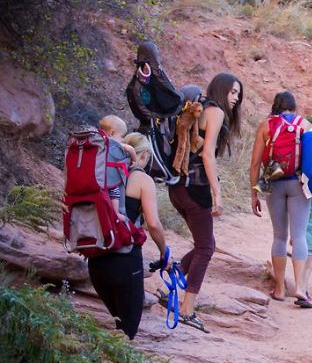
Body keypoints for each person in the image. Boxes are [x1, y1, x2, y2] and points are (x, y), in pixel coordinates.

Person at [168, 73, 243, 331]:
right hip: (196, 187)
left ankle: (175, 272)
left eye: (238, 94)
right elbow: (208, 155)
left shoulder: (199, 107)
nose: (236, 98)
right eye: (233, 92)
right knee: (205, 248)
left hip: (177, 187)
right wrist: (217, 192)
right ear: (222, 90)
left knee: (206, 244)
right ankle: (187, 310)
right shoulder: (216, 112)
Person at [87, 132, 169, 340]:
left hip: (96, 261)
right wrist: (163, 251)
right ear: (142, 155)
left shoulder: (101, 174)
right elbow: (153, 224)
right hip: (125, 261)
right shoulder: (142, 179)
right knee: (127, 333)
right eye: (147, 158)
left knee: (119, 327)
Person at [249, 91, 312, 308]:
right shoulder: (304, 125)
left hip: (274, 183)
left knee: (279, 236)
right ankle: (300, 288)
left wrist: (254, 193)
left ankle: (279, 289)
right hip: (298, 184)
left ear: (275, 107)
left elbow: (255, 162)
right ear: (293, 108)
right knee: (299, 236)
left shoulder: (266, 126)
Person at [99, 114, 138, 218]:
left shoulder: (97, 142)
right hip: (108, 179)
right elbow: (130, 149)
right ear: (111, 133)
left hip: (96, 179)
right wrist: (134, 160)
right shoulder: (114, 144)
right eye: (122, 137)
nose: (122, 140)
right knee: (115, 191)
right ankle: (116, 213)